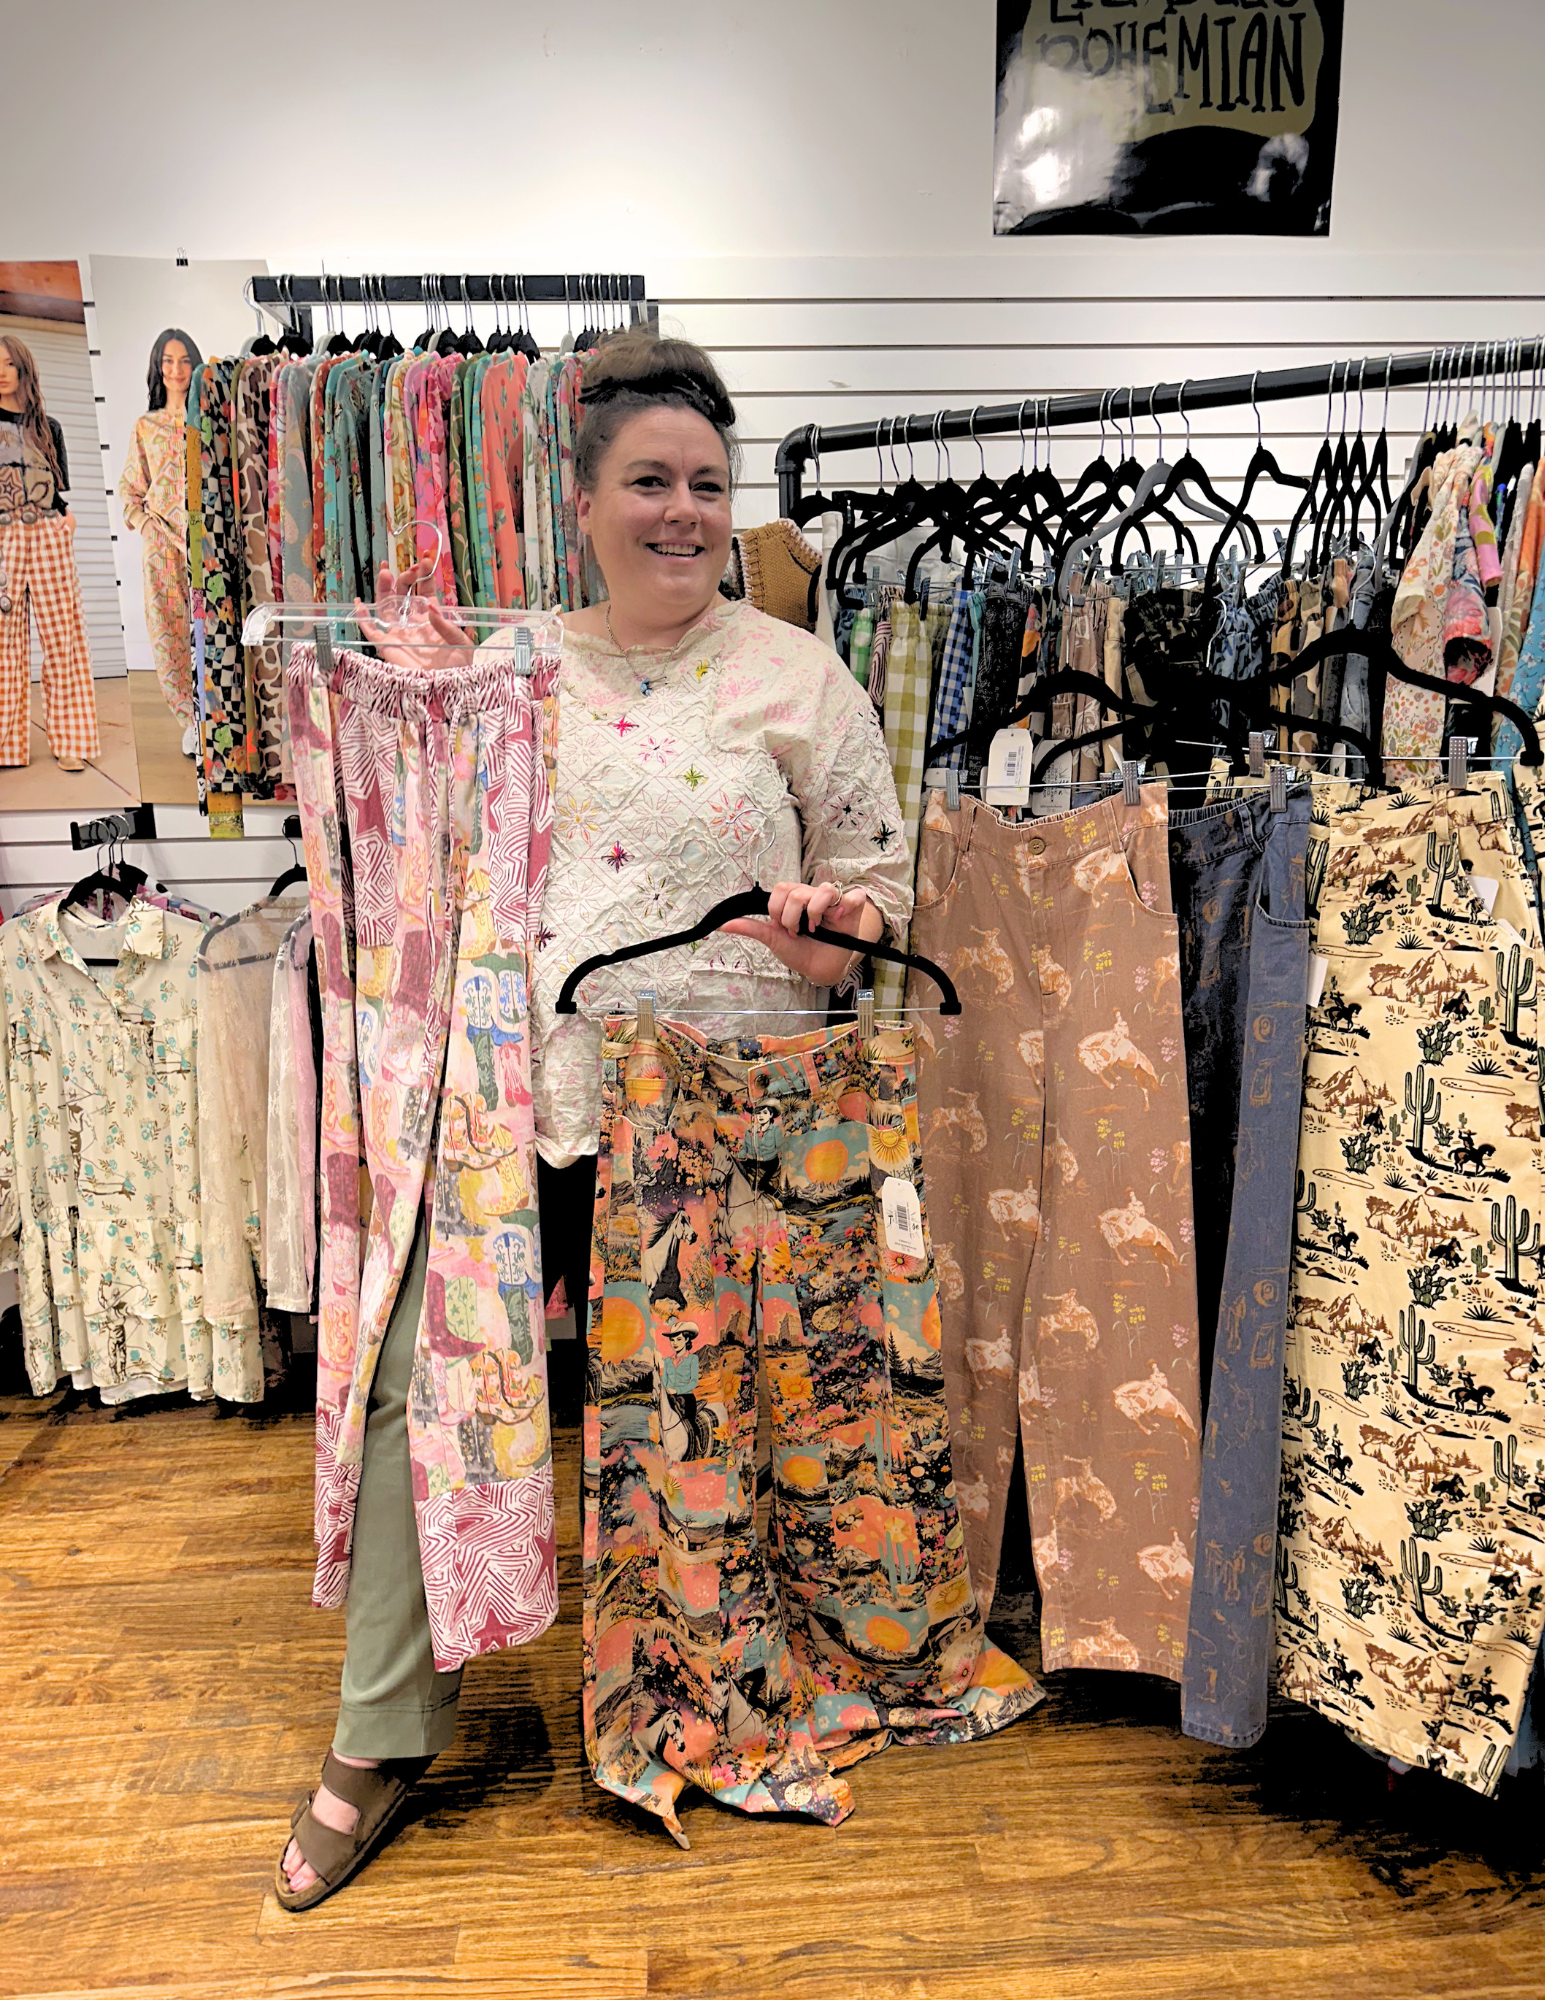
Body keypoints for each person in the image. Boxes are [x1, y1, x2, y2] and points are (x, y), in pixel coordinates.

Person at [277, 331, 906, 1907]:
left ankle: (691, 1682)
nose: (681, 510)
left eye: (706, 482)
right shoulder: (511, 670)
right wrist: (401, 705)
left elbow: (876, 896)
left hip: (720, 1120)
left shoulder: (799, 676)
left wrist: (832, 930)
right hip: (525, 1104)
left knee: (695, 1420)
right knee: (429, 1388)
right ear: (584, 502)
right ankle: (381, 1730)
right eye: (648, 480)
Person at [0, 334, 99, 772]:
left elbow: (57, 492)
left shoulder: (48, 427)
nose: (2, 372)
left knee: (63, 638)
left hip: (46, 533)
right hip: (2, 537)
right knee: (3, 644)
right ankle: (5, 746)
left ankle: (70, 740)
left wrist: (67, 520)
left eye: (9, 364)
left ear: (24, 369)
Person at [118, 328, 202, 757]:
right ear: (158, 367)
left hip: (204, 542)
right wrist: (146, 526)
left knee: (209, 628)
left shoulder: (207, 421)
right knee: (168, 632)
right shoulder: (146, 426)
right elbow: (130, 488)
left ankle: (216, 716)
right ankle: (190, 721)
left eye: (184, 360)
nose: (176, 369)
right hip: (161, 546)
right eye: (168, 361)